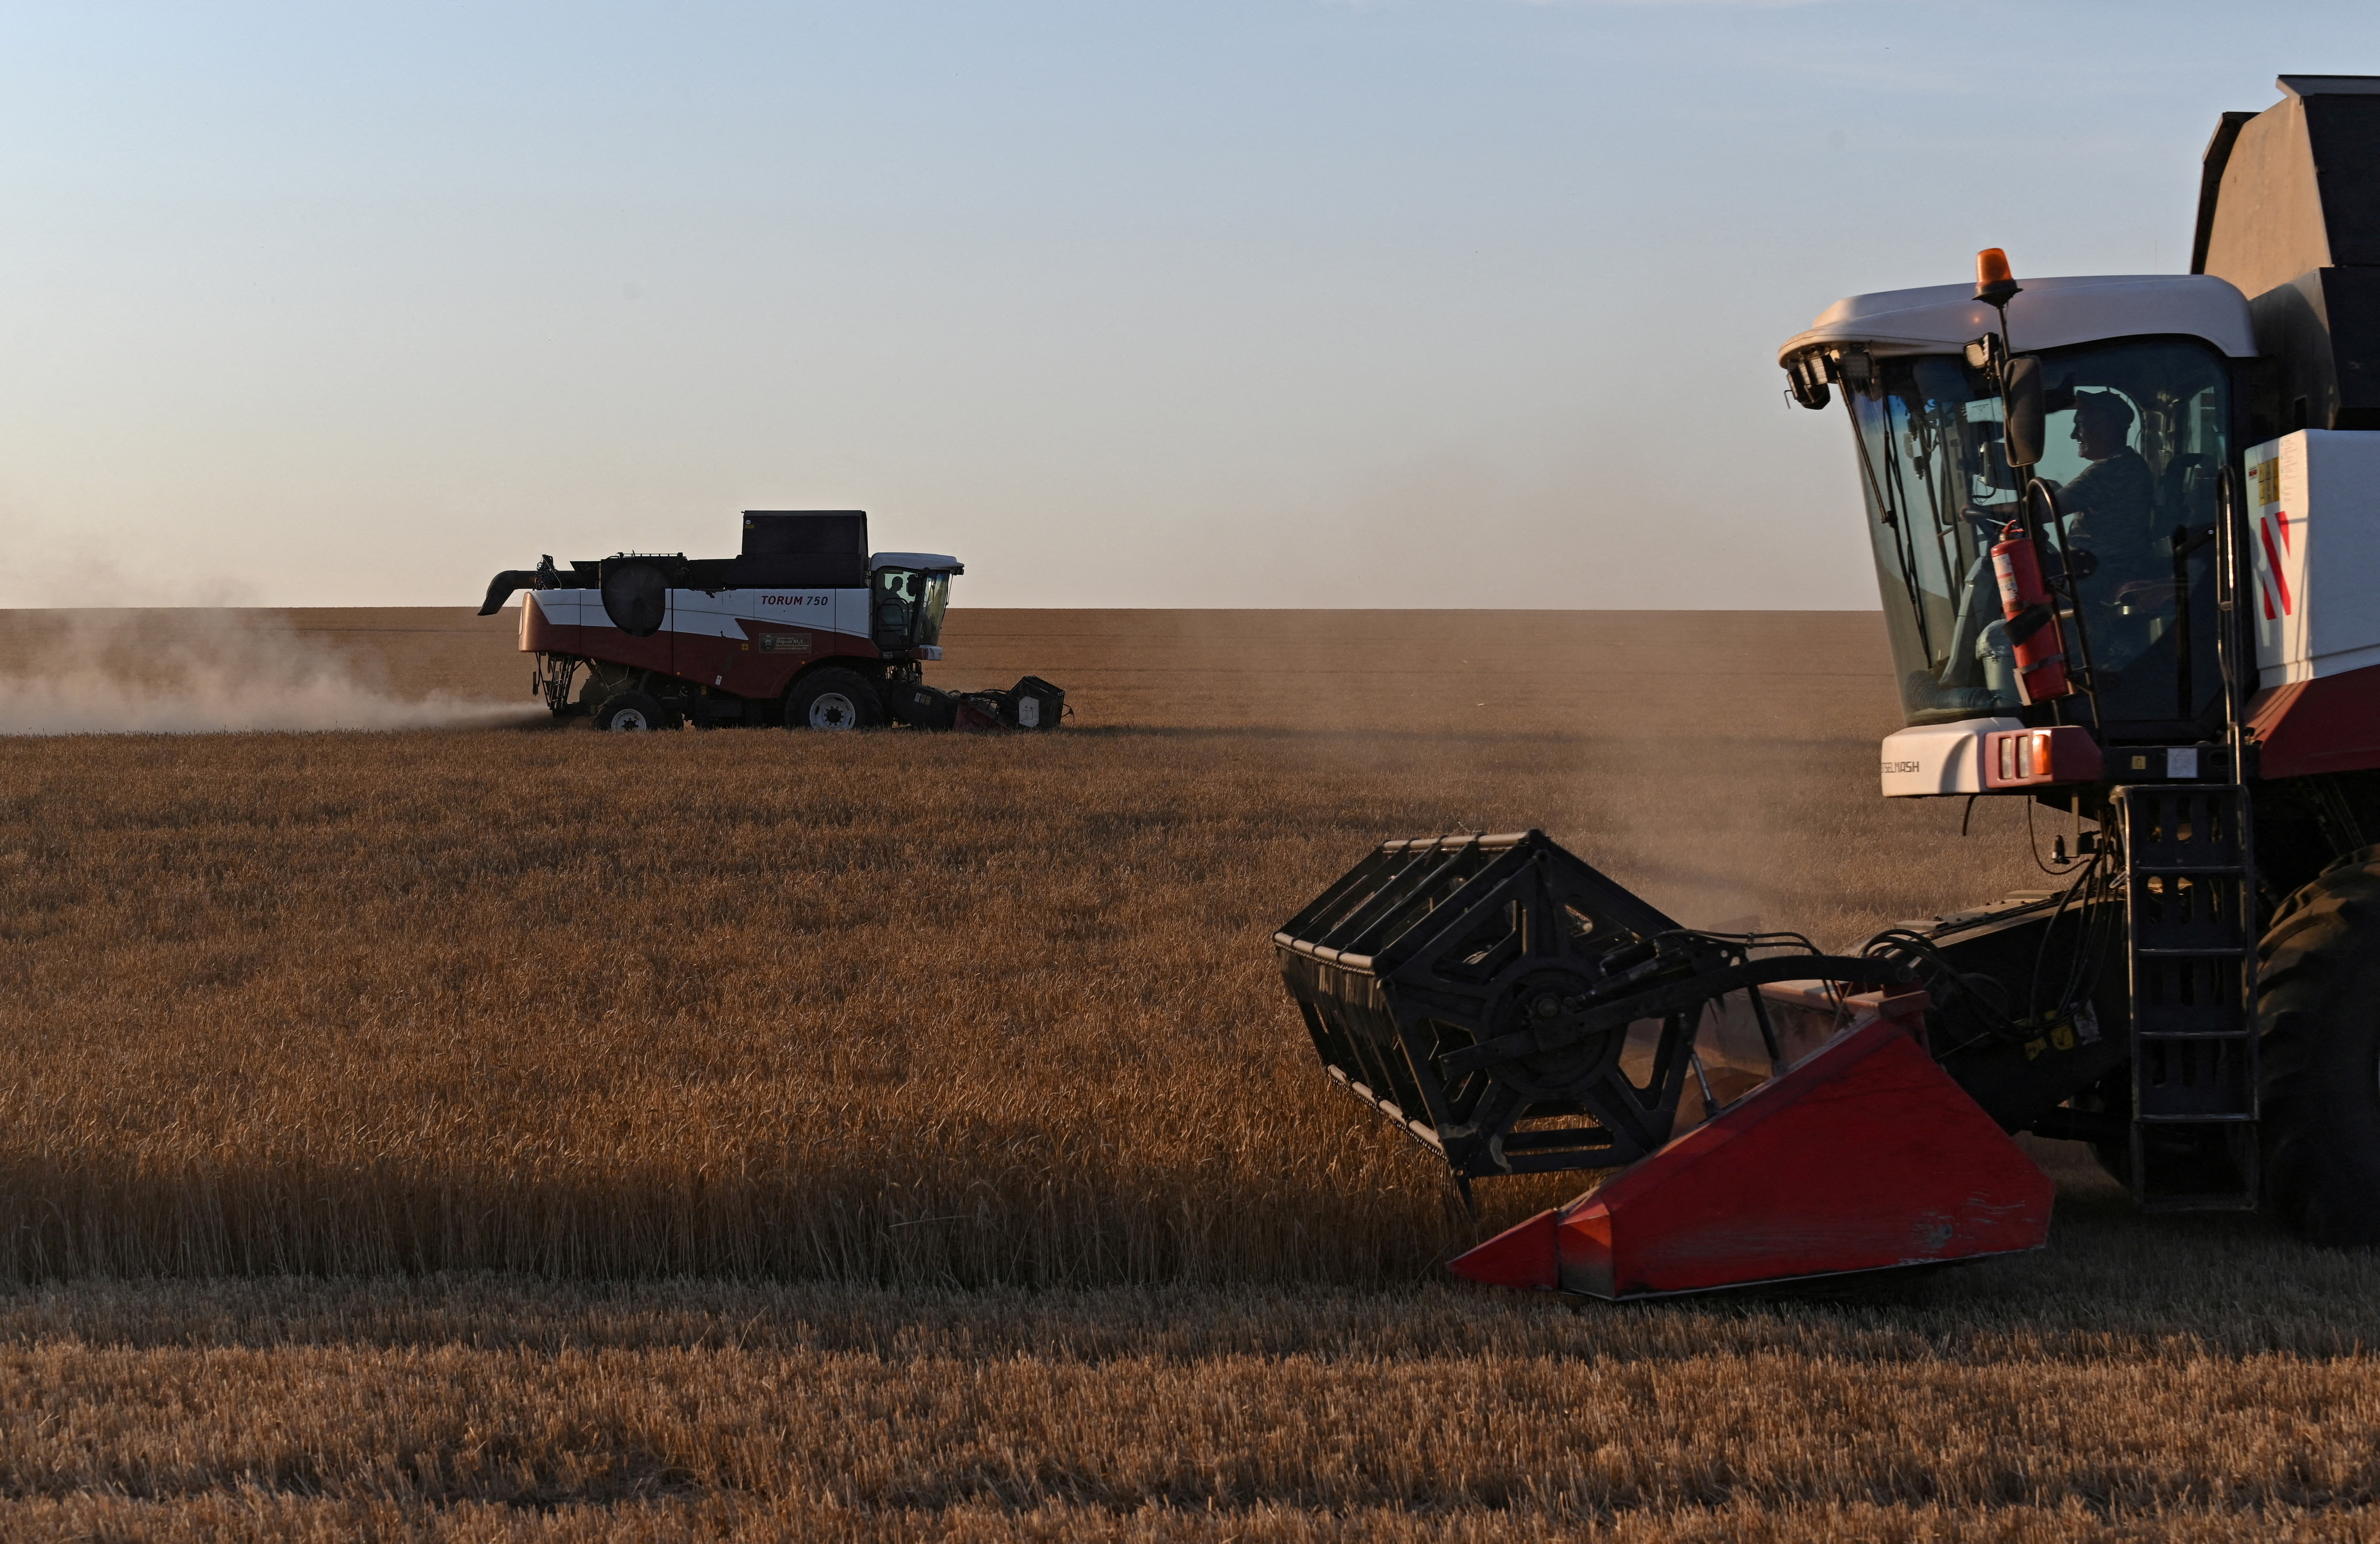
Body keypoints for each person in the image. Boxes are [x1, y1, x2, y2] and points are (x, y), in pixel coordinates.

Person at [2058, 391, 2157, 572]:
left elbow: (2045, 511)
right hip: (2101, 569)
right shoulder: (2126, 464)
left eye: (2080, 425)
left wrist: (2001, 511)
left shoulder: (2114, 469)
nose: (2074, 435)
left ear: (2107, 426)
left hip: (2102, 573)